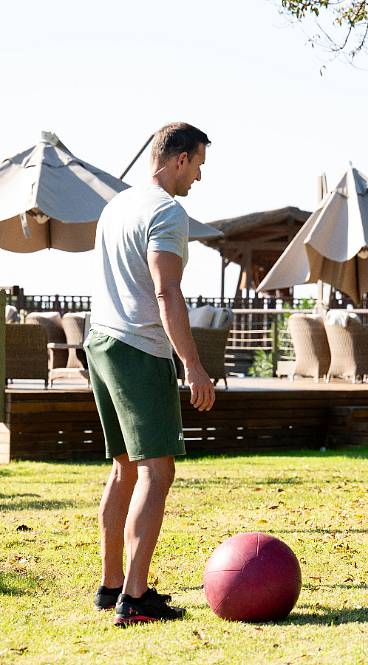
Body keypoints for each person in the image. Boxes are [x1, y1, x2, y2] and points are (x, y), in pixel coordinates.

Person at [86, 122, 216, 625]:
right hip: (139, 350)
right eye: (199, 165)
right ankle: (135, 599)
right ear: (179, 158)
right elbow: (167, 293)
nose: (198, 178)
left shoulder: (117, 205)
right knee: (157, 471)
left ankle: (111, 585)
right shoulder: (167, 211)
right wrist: (194, 365)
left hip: (101, 342)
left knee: (124, 467)